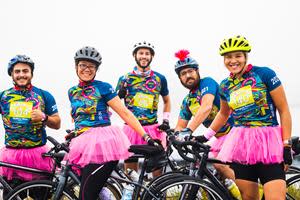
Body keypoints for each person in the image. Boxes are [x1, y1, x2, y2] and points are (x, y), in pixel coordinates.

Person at [202, 35, 292, 200]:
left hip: (269, 144)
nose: (233, 61)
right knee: (249, 197)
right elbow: (223, 113)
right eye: (229, 57)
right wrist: (205, 135)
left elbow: (284, 109)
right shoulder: (225, 85)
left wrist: (286, 145)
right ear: (224, 60)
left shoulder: (264, 74)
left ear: (245, 56)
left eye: (238, 56)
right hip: (242, 145)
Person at [64, 46, 159, 200]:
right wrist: (74, 133)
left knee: (86, 196)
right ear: (76, 67)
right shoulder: (72, 91)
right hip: (83, 145)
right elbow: (80, 118)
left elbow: (125, 113)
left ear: (96, 69)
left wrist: (146, 136)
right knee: (90, 191)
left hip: (103, 145)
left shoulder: (103, 87)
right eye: (83, 65)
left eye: (91, 66)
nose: (87, 69)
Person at [173, 49, 235, 180]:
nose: (188, 75)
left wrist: (188, 131)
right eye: (183, 73)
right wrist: (174, 137)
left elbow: (206, 106)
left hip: (235, 133)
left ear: (197, 72)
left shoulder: (207, 83)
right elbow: (180, 126)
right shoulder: (187, 101)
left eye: (191, 71)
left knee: (219, 165)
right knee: (215, 172)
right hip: (219, 138)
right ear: (180, 78)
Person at [0, 55, 61, 184]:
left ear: (31, 74)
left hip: (38, 156)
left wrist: (44, 117)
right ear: (11, 74)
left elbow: (57, 123)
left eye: (25, 71)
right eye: (17, 71)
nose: (21, 75)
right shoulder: (3, 97)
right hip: (11, 157)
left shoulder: (44, 95)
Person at [116, 41, 171, 177]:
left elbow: (167, 100)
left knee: (157, 175)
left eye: (147, 53)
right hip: (131, 129)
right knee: (130, 174)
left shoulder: (160, 78)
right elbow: (114, 103)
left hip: (153, 129)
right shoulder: (125, 78)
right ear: (135, 55)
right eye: (141, 53)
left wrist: (166, 120)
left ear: (152, 56)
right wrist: (119, 95)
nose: (144, 56)